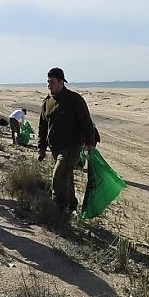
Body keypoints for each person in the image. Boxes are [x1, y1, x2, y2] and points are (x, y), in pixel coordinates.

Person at [37, 67, 96, 217]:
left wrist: (90, 143)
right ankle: (71, 206)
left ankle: (59, 210)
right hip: (55, 148)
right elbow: (42, 126)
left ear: (61, 82)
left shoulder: (74, 99)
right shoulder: (47, 102)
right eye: (48, 82)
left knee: (58, 175)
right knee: (67, 178)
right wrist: (41, 147)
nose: (48, 85)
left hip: (71, 146)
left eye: (52, 82)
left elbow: (86, 122)